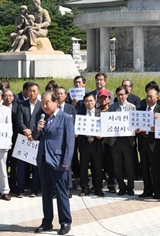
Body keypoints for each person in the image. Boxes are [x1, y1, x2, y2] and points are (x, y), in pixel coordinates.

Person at [33, 91, 75, 236]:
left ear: (55, 102)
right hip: (44, 160)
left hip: (58, 161)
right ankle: (47, 222)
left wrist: (66, 161)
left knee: (61, 193)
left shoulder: (66, 118)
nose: (44, 106)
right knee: (45, 193)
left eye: (47, 103)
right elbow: (34, 136)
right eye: (42, 103)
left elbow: (70, 142)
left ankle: (65, 222)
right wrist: (37, 129)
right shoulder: (42, 117)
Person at [136, 88, 160, 199]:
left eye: (151, 96)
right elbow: (135, 124)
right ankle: (147, 189)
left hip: (155, 143)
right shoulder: (141, 109)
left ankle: (157, 190)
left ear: (156, 98)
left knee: (156, 168)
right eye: (147, 96)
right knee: (145, 167)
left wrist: (157, 127)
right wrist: (137, 130)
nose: (148, 98)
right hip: (143, 141)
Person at [108, 86, 137, 196]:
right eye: (119, 94)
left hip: (127, 139)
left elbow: (135, 122)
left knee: (129, 165)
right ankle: (121, 187)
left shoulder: (132, 107)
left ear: (127, 95)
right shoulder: (112, 107)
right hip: (115, 140)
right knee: (117, 165)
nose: (121, 96)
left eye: (123, 94)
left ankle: (130, 187)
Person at [16, 82, 42, 197]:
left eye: (34, 91)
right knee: (21, 166)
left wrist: (34, 133)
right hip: (24, 138)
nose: (32, 93)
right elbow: (19, 121)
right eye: (30, 91)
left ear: (38, 92)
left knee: (36, 165)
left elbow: (43, 121)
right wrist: (25, 130)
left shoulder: (42, 105)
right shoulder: (22, 104)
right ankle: (21, 189)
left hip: (37, 139)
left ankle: (34, 189)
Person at [77, 93, 104, 197]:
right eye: (87, 101)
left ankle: (98, 188)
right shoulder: (80, 114)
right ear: (84, 103)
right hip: (84, 143)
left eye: (91, 101)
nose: (89, 103)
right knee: (83, 167)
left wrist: (101, 135)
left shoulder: (100, 113)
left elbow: (105, 129)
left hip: (97, 143)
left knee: (97, 167)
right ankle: (84, 188)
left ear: (95, 101)